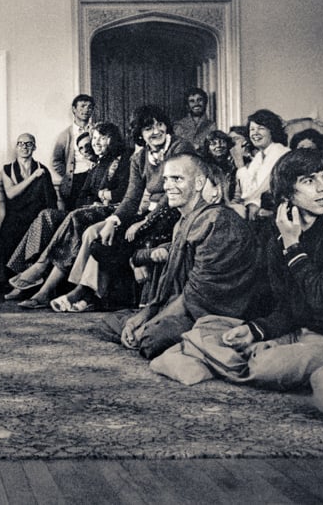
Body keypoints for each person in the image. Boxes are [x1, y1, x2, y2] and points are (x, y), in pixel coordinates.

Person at [216, 149, 323, 390]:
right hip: (306, 329)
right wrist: (257, 330)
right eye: (309, 181)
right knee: (216, 332)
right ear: (287, 194)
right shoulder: (280, 232)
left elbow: (322, 299)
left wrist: (293, 246)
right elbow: (289, 306)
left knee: (267, 367)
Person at [15, 106, 195, 309]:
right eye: (148, 128)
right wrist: (113, 221)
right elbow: (131, 198)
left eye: (159, 124)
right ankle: (84, 293)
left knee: (112, 237)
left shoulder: (180, 148)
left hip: (175, 212)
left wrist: (145, 221)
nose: (156, 131)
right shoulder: (139, 158)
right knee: (98, 233)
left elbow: (174, 193)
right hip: (149, 213)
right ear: (140, 134)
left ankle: (83, 293)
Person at [100, 154, 263, 359]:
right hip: (184, 306)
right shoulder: (186, 221)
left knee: (152, 337)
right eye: (166, 179)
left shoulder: (218, 220)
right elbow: (171, 288)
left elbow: (199, 292)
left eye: (177, 179)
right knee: (112, 322)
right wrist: (145, 315)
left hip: (218, 312)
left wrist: (151, 323)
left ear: (199, 183)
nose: (167, 186)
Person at [4, 122, 128, 278]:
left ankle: (38, 268)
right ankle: (22, 268)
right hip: (89, 210)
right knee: (46, 214)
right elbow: (81, 197)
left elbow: (127, 193)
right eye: (94, 138)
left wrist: (105, 196)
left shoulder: (124, 159)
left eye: (101, 138)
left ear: (113, 139)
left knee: (73, 216)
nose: (95, 143)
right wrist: (96, 200)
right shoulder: (96, 167)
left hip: (110, 213)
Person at [0, 133, 57, 276]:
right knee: (6, 235)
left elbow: (51, 200)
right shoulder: (7, 169)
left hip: (35, 218)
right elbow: (11, 193)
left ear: (34, 147)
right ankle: (12, 280)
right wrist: (32, 177)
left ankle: (32, 279)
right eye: (21, 143)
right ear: (16, 147)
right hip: (15, 217)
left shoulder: (42, 170)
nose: (24, 147)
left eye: (29, 144)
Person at [229, 109, 290, 220]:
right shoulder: (259, 156)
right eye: (252, 129)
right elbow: (248, 192)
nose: (255, 133)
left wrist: (240, 163)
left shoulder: (279, 151)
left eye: (261, 128)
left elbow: (250, 192)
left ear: (272, 131)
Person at [51, 94, 96, 211]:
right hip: (75, 182)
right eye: (82, 106)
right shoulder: (65, 135)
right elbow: (56, 161)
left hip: (95, 178)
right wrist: (68, 175)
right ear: (74, 109)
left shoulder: (97, 131)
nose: (86, 110)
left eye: (90, 107)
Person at [172, 87, 217, 151]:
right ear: (187, 105)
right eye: (192, 101)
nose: (196, 104)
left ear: (205, 103)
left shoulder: (212, 126)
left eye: (199, 100)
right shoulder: (178, 126)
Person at [201, 129, 237, 200]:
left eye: (222, 142)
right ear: (208, 148)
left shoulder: (234, 164)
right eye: (213, 144)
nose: (218, 146)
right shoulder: (204, 167)